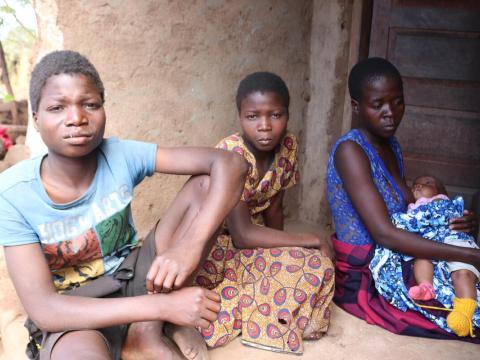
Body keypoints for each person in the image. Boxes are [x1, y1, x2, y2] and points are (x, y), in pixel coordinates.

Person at [0, 50, 248, 360]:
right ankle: (154, 322)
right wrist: (165, 306)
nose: (76, 118)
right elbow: (46, 310)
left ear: (104, 109)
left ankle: (144, 334)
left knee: (207, 185)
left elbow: (232, 164)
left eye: (90, 104)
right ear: (35, 119)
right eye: (57, 107)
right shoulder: (13, 195)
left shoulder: (120, 155)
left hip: (133, 277)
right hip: (76, 311)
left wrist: (190, 247)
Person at [325, 57, 480, 341]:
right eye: (378, 105)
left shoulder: (390, 144)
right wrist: (469, 254)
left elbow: (405, 207)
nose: (390, 113)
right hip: (368, 270)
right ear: (356, 107)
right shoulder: (350, 151)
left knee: (466, 283)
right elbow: (383, 233)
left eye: (397, 101)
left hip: (399, 253)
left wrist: (449, 221)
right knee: (459, 308)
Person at [192, 72, 335, 355]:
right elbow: (243, 235)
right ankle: (265, 318)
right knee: (313, 255)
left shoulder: (288, 147)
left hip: (252, 245)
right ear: (240, 116)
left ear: (288, 114)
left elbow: (275, 208)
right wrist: (308, 240)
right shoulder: (231, 155)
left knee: (320, 264)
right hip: (218, 248)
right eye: (253, 116)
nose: (265, 126)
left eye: (276, 115)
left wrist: (282, 255)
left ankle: (262, 307)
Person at [370, 175, 479, 336]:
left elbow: (449, 216)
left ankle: (465, 312)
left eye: (427, 183)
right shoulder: (412, 207)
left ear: (441, 191)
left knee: (462, 273)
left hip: (454, 241)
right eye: (415, 184)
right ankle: (426, 286)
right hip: (430, 244)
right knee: (421, 259)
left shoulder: (442, 201)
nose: (419, 185)